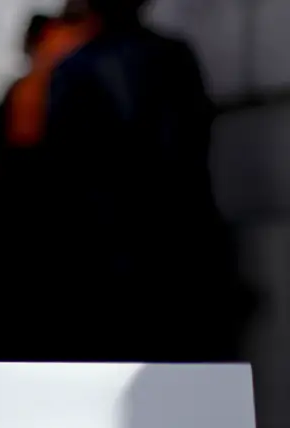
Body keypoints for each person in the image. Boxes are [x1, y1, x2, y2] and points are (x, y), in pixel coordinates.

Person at [39, 0, 247, 362]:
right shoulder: (168, 56)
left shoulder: (77, 67)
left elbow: (64, 165)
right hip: (168, 240)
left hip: (116, 242)